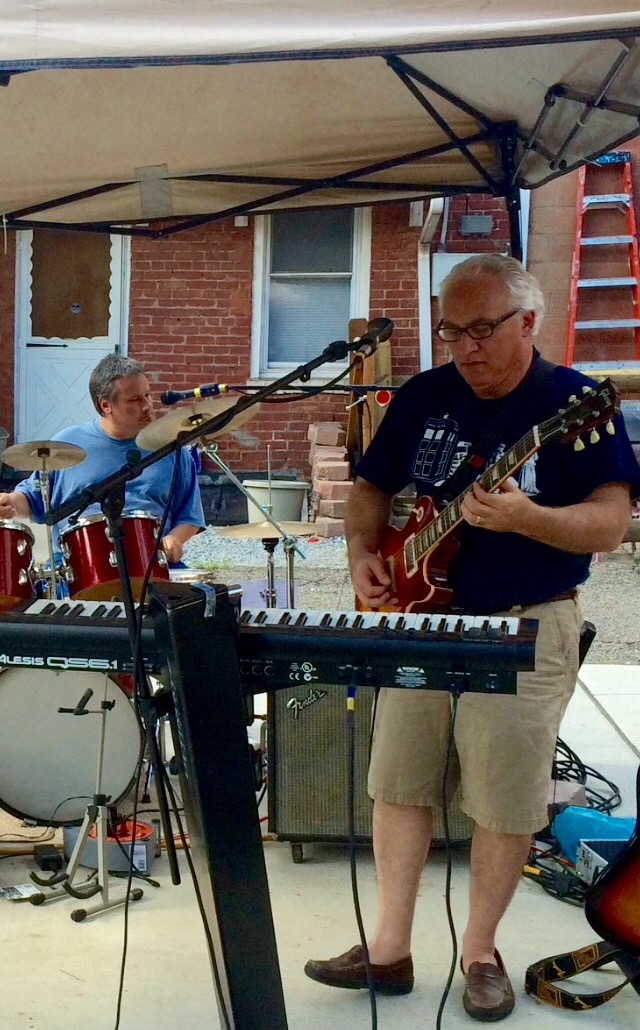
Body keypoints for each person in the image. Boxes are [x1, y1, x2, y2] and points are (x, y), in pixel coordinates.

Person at [304, 255, 640, 1021]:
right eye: (452, 330)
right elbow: (370, 488)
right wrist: (365, 556)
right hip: (421, 619)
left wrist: (529, 518)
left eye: (483, 328)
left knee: (505, 800)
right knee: (398, 781)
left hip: (524, 621)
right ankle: (388, 949)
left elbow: (612, 524)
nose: (465, 347)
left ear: (530, 321)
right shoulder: (425, 395)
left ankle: (481, 952)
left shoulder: (574, 404)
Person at [0, 354, 205, 568]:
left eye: (147, 395)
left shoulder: (173, 449)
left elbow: (189, 516)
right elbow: (33, 499)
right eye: (134, 400)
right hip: (80, 568)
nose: (147, 406)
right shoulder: (66, 445)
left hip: (153, 563)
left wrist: (176, 539)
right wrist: (10, 503)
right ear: (106, 405)